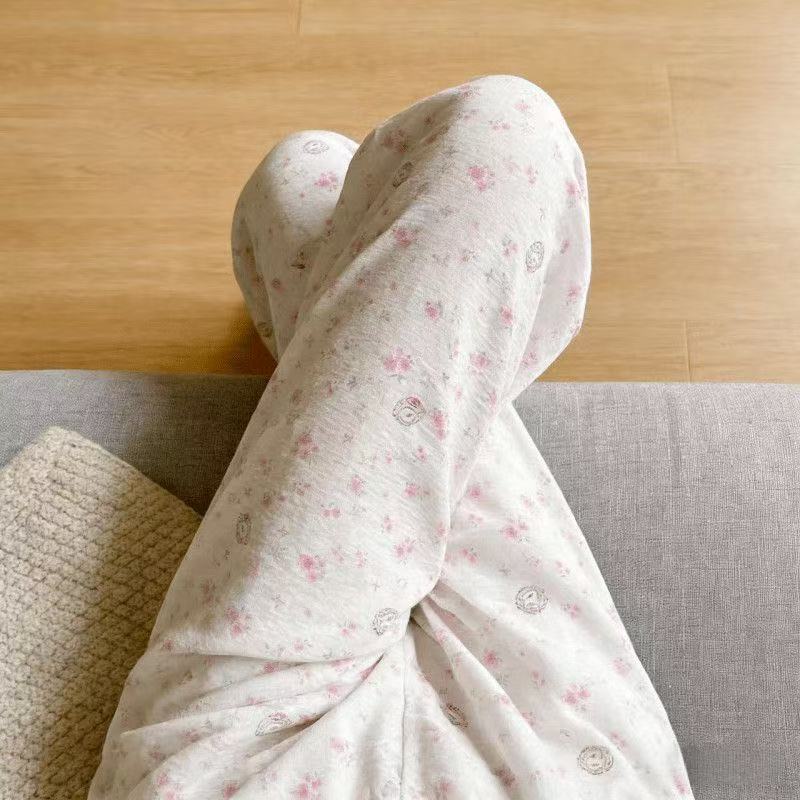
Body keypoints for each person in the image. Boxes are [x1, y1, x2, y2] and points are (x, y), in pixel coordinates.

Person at [90, 74, 694, 799]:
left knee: (305, 177)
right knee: (420, 150)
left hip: (252, 764)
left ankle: (332, 302)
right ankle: (337, 303)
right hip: (559, 772)